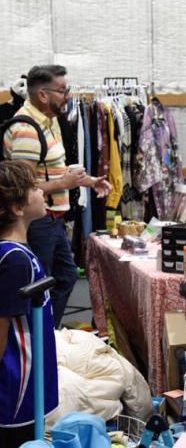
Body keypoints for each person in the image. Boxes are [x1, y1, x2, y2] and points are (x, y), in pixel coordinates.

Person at [3, 65, 112, 328]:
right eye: (63, 90)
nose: (68, 96)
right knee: (41, 285)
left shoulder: (49, 121)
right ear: (42, 94)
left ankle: (49, 332)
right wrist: (64, 182)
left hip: (53, 219)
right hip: (38, 224)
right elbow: (22, 188)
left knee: (64, 277)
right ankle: (38, 337)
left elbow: (55, 169)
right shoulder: (27, 130)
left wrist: (89, 181)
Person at [0, 160, 58, 448]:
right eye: (35, 187)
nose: (42, 191)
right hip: (16, 391)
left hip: (29, 380)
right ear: (17, 208)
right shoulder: (14, 260)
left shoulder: (20, 252)